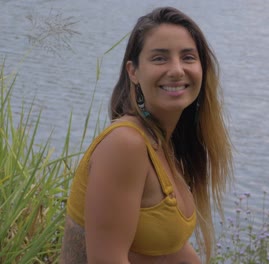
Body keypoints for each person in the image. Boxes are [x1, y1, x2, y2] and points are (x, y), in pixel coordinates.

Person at [60, 6, 233, 264]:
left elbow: (171, 249)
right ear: (133, 72)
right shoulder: (125, 144)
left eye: (188, 57)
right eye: (159, 58)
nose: (176, 70)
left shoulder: (162, 142)